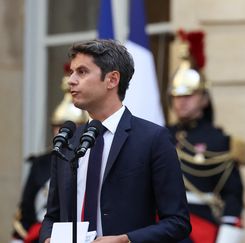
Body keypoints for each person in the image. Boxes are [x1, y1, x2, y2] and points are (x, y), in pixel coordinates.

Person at [39, 39, 191, 243]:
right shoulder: (68, 141)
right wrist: (48, 238)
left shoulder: (153, 139)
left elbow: (177, 222)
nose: (71, 80)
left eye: (82, 72)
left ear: (112, 79)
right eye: (72, 72)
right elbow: (52, 216)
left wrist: (126, 240)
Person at [168, 30, 245, 243]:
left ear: (204, 99)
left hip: (199, 224)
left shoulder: (220, 141)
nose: (182, 102)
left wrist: (229, 233)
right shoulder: (160, 134)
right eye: (177, 96)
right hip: (160, 223)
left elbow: (232, 195)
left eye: (189, 95)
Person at [11, 64, 89, 243]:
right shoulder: (42, 162)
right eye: (57, 127)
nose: (60, 132)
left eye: (67, 127)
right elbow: (28, 206)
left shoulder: (91, 154)